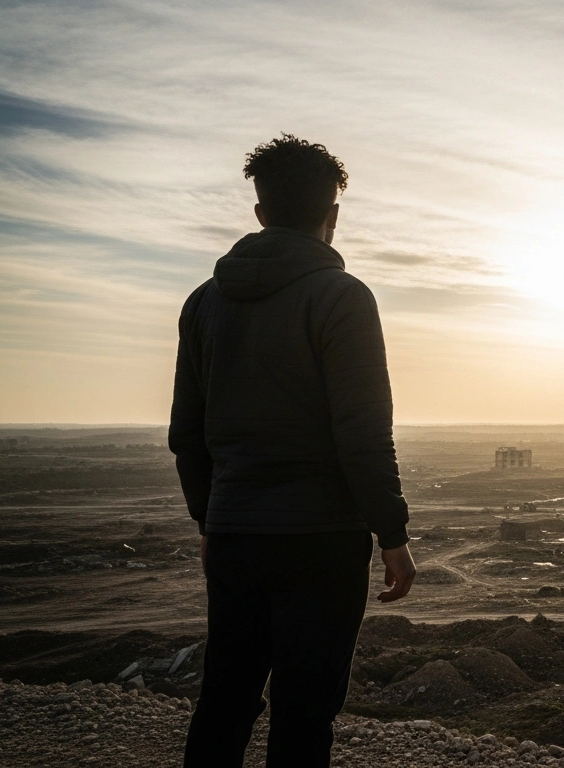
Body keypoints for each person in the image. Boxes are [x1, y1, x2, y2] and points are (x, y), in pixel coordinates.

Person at [169, 134, 417, 767]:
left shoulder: (202, 302)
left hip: (234, 532)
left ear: (259, 212)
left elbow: (186, 433)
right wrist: (392, 533)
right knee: (304, 714)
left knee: (224, 698)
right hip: (323, 538)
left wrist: (209, 518)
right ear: (331, 214)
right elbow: (362, 430)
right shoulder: (342, 298)